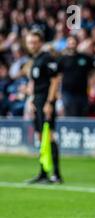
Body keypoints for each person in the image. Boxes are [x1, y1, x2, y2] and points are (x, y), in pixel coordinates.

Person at [25, 30, 62, 184]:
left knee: (49, 136)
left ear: (40, 43)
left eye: (34, 42)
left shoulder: (47, 58)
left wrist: (49, 102)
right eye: (29, 42)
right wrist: (32, 100)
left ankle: (57, 174)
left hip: (46, 101)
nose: (32, 45)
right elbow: (34, 83)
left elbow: (55, 81)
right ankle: (43, 172)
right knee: (41, 137)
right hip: (38, 101)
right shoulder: (35, 60)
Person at [57, 35, 95, 117]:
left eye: (73, 43)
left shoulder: (85, 58)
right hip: (67, 93)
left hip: (82, 93)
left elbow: (92, 73)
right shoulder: (62, 59)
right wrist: (58, 91)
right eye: (70, 43)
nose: (71, 45)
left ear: (77, 44)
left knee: (83, 115)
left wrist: (92, 87)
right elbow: (58, 76)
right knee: (70, 115)